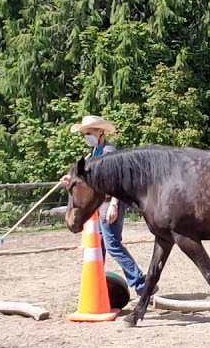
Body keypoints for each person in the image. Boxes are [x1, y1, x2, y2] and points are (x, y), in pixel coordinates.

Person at [62, 114, 147, 296]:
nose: (86, 137)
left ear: (100, 131)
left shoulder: (108, 152)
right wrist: (71, 179)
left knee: (112, 245)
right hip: (100, 204)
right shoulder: (94, 153)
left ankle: (141, 283)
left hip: (109, 203)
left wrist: (114, 204)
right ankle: (95, 285)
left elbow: (117, 181)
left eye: (89, 133)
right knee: (98, 247)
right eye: (85, 134)